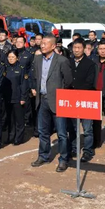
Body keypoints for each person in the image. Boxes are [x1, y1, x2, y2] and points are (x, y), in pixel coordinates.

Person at [29, 34, 73, 172]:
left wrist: (59, 93)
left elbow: (68, 81)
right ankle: (43, 156)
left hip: (58, 100)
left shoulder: (62, 60)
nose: (42, 45)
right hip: (42, 99)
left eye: (45, 43)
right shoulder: (37, 59)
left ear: (53, 46)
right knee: (43, 131)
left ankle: (63, 159)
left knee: (61, 133)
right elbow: (35, 77)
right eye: (41, 43)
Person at [67, 39, 97, 161]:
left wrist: (76, 90)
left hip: (86, 98)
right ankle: (74, 148)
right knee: (73, 127)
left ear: (84, 49)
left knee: (87, 128)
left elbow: (90, 82)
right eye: (74, 48)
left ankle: (87, 151)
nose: (76, 50)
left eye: (79, 47)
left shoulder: (90, 64)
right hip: (71, 99)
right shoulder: (68, 62)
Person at [3, 49, 29, 146]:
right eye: (9, 57)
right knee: (10, 119)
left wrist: (23, 97)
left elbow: (24, 84)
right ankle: (11, 136)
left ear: (17, 58)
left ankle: (19, 138)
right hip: (8, 98)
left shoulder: (21, 68)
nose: (11, 59)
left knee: (19, 119)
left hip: (18, 97)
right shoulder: (5, 68)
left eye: (13, 57)